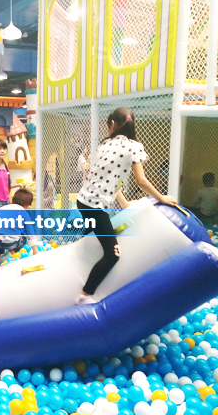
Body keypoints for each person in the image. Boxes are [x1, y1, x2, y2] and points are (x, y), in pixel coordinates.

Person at [76, 107, 177, 305]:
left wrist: (123, 203)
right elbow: (141, 180)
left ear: (112, 124)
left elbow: (109, 178)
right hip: (95, 207)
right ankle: (84, 295)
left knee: (90, 241)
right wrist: (162, 197)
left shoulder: (105, 144)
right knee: (112, 254)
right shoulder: (134, 147)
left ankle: (76, 266)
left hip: (83, 201)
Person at [0, 188, 39, 267]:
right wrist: (35, 251)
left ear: (12, 201)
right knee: (23, 239)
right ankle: (7, 255)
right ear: (28, 206)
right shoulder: (24, 213)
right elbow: (30, 233)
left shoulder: (2, 208)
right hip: (10, 242)